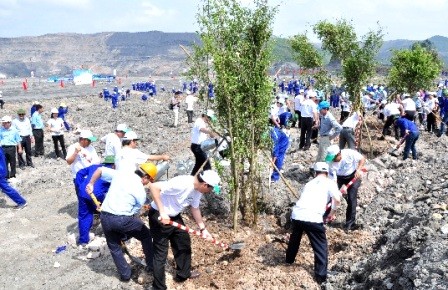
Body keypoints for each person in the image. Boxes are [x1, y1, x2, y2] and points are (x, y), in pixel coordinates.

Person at [148, 170, 221, 290]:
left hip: (174, 216)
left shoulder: (198, 190)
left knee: (183, 241)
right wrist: (162, 212)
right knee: (161, 253)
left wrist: (203, 229)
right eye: (211, 189)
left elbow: (195, 208)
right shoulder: (182, 183)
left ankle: (183, 274)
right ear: (205, 185)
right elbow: (153, 186)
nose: (210, 192)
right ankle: (158, 287)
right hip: (159, 216)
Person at [86, 162, 157, 281]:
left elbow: (100, 170)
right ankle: (151, 265)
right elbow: (134, 213)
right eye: (149, 181)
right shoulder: (140, 192)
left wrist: (91, 183)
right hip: (122, 219)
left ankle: (125, 275)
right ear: (146, 177)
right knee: (146, 235)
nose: (147, 184)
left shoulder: (120, 174)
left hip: (105, 216)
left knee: (114, 246)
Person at [285, 162, 341, 284]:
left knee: (295, 238)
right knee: (320, 246)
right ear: (327, 173)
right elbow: (337, 199)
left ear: (315, 173)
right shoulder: (330, 182)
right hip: (313, 218)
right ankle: (321, 277)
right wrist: (331, 214)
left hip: (297, 215)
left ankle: (288, 260)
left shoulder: (309, 183)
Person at [75, 156, 115, 245]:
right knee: (108, 214)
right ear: (113, 164)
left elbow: (79, 173)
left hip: (84, 192)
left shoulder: (94, 167)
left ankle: (83, 241)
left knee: (84, 215)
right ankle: (112, 237)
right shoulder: (112, 173)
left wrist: (80, 185)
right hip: (97, 195)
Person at [325, 145, 366, 231]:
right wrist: (336, 191)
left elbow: (362, 159)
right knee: (330, 196)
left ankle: (350, 224)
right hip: (339, 177)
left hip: (353, 176)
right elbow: (333, 180)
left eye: (334, 158)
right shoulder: (330, 163)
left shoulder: (349, 153)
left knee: (351, 198)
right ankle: (325, 217)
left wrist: (359, 169)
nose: (332, 160)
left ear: (339, 154)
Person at [66, 130, 100, 196]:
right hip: (79, 178)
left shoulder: (91, 148)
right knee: (82, 197)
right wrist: (75, 152)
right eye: (89, 140)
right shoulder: (73, 147)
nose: (90, 142)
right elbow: (68, 161)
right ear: (83, 140)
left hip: (91, 177)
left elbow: (97, 161)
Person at [190, 110, 218, 175]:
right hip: (197, 147)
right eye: (209, 118)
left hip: (199, 146)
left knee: (199, 164)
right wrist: (210, 132)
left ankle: (192, 178)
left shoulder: (203, 123)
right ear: (205, 116)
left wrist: (213, 134)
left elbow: (208, 134)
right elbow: (202, 129)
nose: (209, 120)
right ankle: (209, 180)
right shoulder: (199, 121)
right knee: (206, 163)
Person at [0, 116, 22, 180]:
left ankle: (12, 175)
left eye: (5, 123)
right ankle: (6, 176)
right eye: (3, 123)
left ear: (9, 123)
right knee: (4, 162)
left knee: (13, 162)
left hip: (11, 148)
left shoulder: (14, 130)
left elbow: (18, 140)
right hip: (3, 148)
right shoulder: (1, 130)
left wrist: (20, 148)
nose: (3, 124)